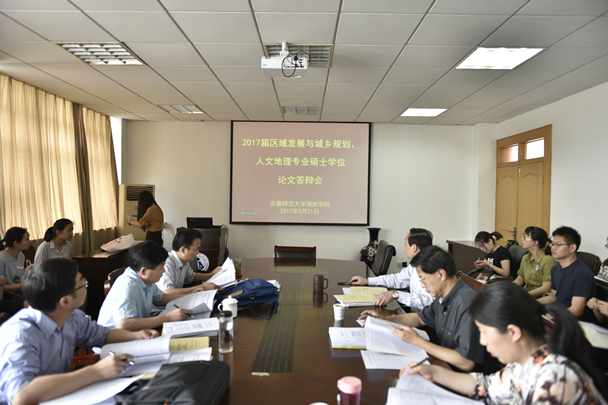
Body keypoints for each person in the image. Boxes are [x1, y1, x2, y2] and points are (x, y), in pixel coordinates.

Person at [403, 281, 608, 404]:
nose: (482, 341)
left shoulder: (554, 379)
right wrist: (434, 373)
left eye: (484, 332)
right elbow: (486, 386)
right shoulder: (525, 362)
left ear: (513, 332)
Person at [0, 258, 159, 405]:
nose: (86, 286)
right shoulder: (21, 334)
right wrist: (96, 371)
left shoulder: (71, 316)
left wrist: (137, 335)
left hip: (58, 396)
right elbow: (20, 396)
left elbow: (103, 335)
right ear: (65, 301)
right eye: (83, 283)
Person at [359, 246, 486, 372]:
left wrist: (417, 341)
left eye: (423, 279)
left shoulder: (467, 303)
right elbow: (420, 318)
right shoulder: (443, 295)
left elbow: (466, 363)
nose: (422, 285)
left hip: (463, 376)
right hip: (443, 362)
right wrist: (384, 319)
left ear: (441, 274)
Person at [98, 241, 203, 330]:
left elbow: (160, 299)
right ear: (144, 271)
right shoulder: (128, 286)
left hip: (136, 333)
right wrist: (167, 317)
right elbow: (123, 325)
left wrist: (191, 295)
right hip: (115, 342)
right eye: (161, 267)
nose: (164, 270)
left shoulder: (145, 279)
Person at [350, 228, 434, 310]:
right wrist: (368, 281)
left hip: (423, 316)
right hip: (414, 313)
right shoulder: (414, 265)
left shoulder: (432, 269)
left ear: (414, 247)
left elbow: (429, 302)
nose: (404, 247)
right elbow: (396, 279)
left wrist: (396, 295)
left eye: (405, 244)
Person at [538, 226, 596, 321]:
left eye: (558, 245)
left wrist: (550, 319)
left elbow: (577, 310)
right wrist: (531, 303)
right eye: (552, 244)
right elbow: (553, 297)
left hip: (573, 321)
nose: (553, 248)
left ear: (572, 247)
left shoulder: (582, 273)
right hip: (557, 313)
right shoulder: (555, 268)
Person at [157, 228, 220, 294]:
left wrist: (212, 274)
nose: (197, 252)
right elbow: (167, 292)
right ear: (183, 250)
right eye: (196, 249)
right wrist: (202, 287)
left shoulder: (184, 262)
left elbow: (192, 277)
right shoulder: (166, 263)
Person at [513, 226, 557, 298]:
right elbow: (519, 280)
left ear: (536, 242)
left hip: (540, 297)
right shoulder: (525, 258)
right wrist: (507, 288)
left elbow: (546, 288)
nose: (522, 239)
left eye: (526, 237)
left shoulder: (548, 260)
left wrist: (524, 296)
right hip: (526, 293)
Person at [0, 227, 31, 313]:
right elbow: (1, 287)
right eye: (27, 239)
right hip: (7, 295)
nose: (30, 242)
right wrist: (20, 286)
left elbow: (19, 277)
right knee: (33, 303)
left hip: (18, 290)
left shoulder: (21, 256)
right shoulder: (1, 258)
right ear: (16, 243)